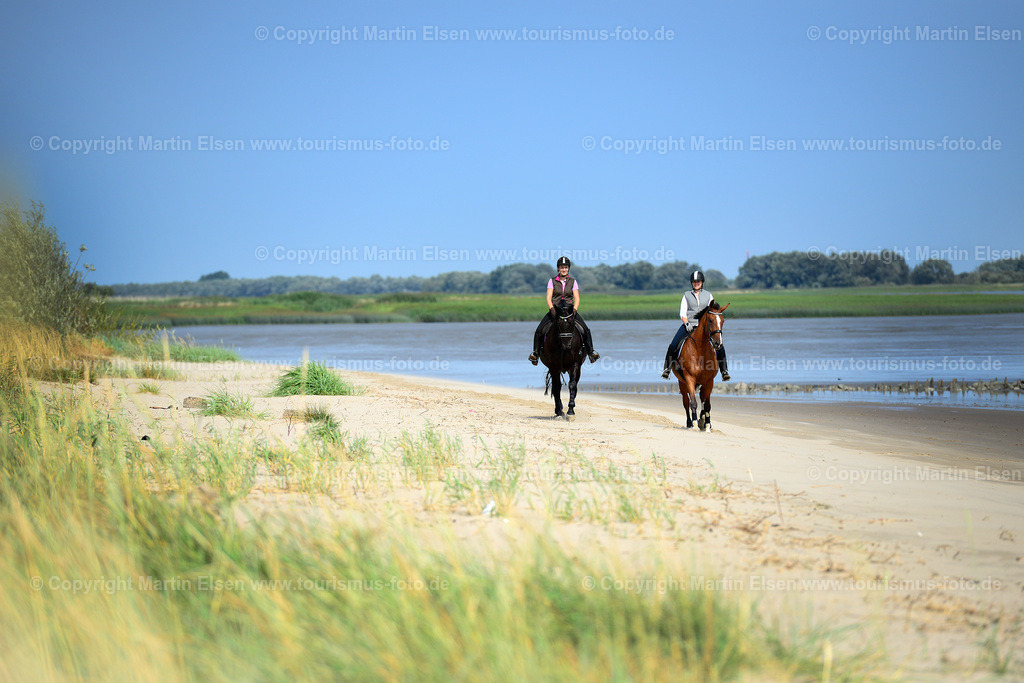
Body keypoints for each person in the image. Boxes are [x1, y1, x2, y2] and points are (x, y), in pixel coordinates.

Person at [529, 256, 600, 365]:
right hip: (555, 310)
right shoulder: (552, 281)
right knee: (539, 330)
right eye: (562, 267)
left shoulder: (573, 282)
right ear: (558, 268)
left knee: (585, 329)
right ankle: (535, 354)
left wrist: (575, 309)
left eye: (566, 267)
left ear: (568, 269)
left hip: (569, 311)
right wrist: (551, 308)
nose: (564, 269)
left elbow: (576, 298)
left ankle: (591, 352)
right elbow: (548, 297)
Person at [661, 270, 730, 380]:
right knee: (674, 344)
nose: (696, 283)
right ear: (691, 283)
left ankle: (724, 370)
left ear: (702, 282)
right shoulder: (686, 295)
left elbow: (712, 311)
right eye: (694, 281)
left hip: (705, 327)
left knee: (719, 344)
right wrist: (687, 323)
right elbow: (682, 313)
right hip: (689, 325)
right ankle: (667, 369)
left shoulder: (708, 295)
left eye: (698, 281)